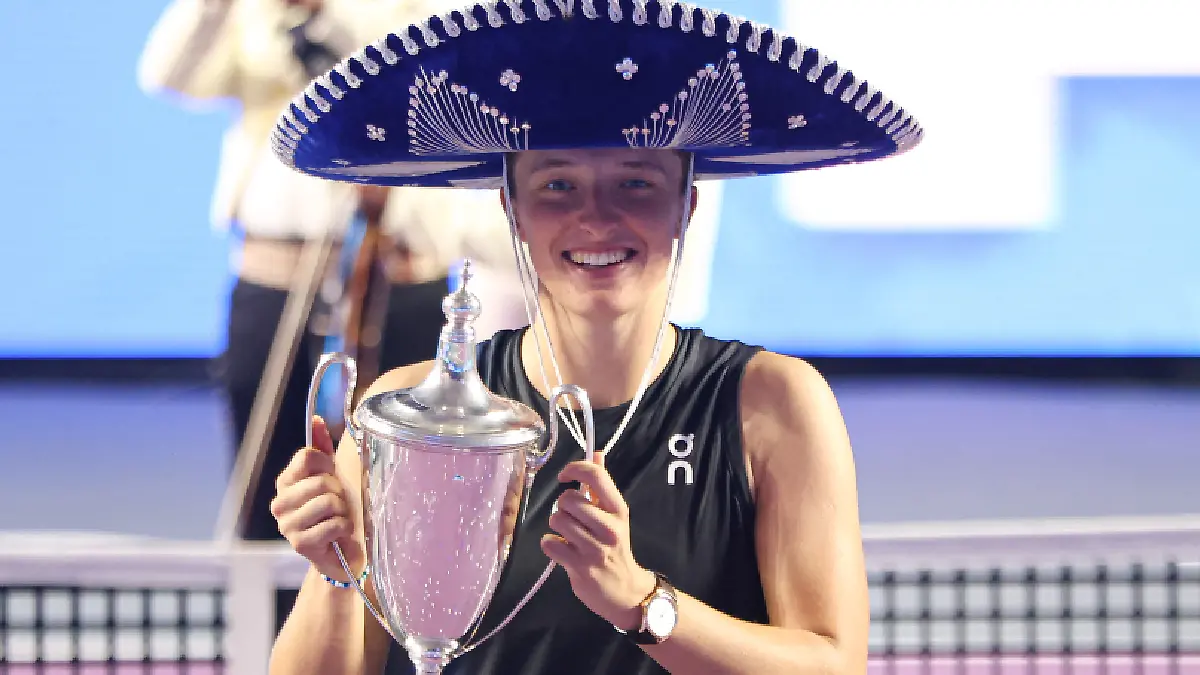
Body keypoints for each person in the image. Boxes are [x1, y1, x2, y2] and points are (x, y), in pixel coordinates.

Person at [264, 2, 923, 673]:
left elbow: (832, 662)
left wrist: (641, 602)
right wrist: (337, 569)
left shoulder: (772, 403)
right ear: (514, 211)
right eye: (558, 185)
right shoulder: (414, 416)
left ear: (685, 205)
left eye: (636, 182)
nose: (597, 217)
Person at [135, 0, 524, 543]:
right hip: (274, 270)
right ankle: (269, 599)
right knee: (268, 486)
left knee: (396, 491)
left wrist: (325, 19)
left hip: (397, 268)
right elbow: (170, 76)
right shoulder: (257, 13)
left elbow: (429, 83)